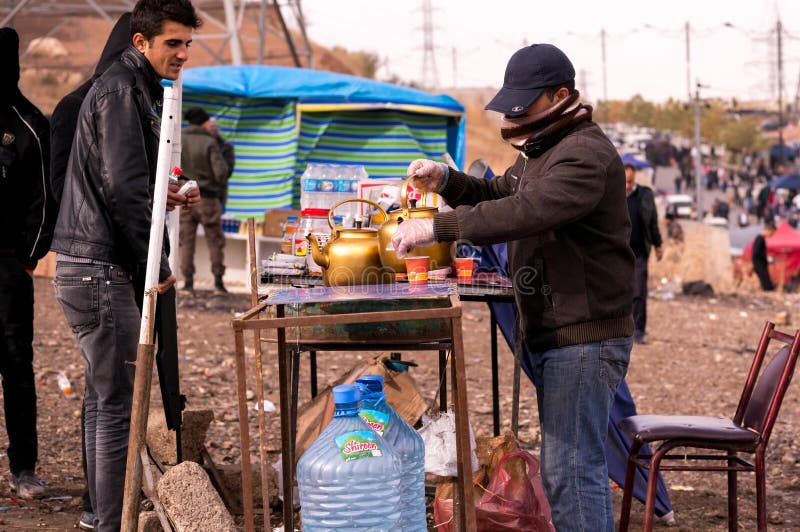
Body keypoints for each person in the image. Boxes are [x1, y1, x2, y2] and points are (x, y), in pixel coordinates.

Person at [392, 43, 634, 531]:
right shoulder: (543, 150)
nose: (514, 116)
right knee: (567, 465)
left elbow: (524, 212)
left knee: (572, 471)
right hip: (559, 332)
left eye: (525, 105)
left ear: (561, 95)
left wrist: (438, 228)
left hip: (584, 336)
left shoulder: (584, 155)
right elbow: (500, 193)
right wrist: (447, 180)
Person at [50, 2, 201, 530]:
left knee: (102, 396)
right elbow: (124, 187)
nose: (182, 54)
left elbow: (130, 180)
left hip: (86, 262)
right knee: (117, 406)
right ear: (140, 42)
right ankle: (112, 521)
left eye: (188, 44)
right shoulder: (121, 90)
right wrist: (154, 261)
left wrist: (169, 196)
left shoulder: (129, 87)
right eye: (172, 44)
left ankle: (98, 515)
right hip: (99, 266)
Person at [0, 26, 56, 500]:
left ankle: (24, 469)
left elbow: (44, 201)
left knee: (16, 367)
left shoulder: (29, 125)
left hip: (6, 270)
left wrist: (27, 259)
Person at [179, 107, 230, 292]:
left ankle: (188, 282)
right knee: (215, 240)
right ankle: (218, 282)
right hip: (207, 198)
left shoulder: (180, 138)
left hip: (183, 197)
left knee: (186, 240)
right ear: (205, 122)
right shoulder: (209, 142)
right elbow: (221, 173)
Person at [625, 163, 663, 345]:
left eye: (630, 182)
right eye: (624, 182)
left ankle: (638, 331)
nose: (627, 186)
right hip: (619, 251)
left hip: (639, 251)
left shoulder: (644, 195)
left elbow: (652, 222)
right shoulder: (613, 194)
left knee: (639, 291)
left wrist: (658, 244)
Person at [752, 221, 776, 291]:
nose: (771, 235)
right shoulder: (760, 239)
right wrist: (767, 258)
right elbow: (757, 252)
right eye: (771, 233)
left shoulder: (759, 238)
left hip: (760, 264)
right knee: (767, 284)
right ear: (768, 230)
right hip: (759, 264)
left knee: (766, 282)